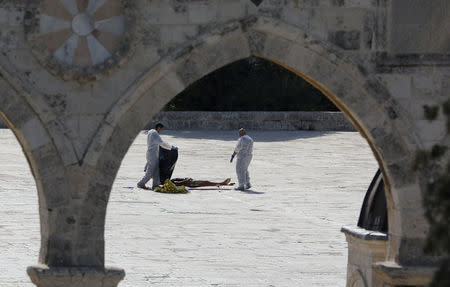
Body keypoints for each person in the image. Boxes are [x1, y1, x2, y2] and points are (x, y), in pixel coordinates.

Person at [137, 123, 177, 190]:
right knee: (150, 171)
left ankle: (155, 185)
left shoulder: (151, 132)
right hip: (152, 155)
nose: (161, 131)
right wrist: (171, 147)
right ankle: (141, 183)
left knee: (156, 170)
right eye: (161, 129)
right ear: (158, 128)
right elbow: (161, 143)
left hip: (153, 154)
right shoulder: (154, 134)